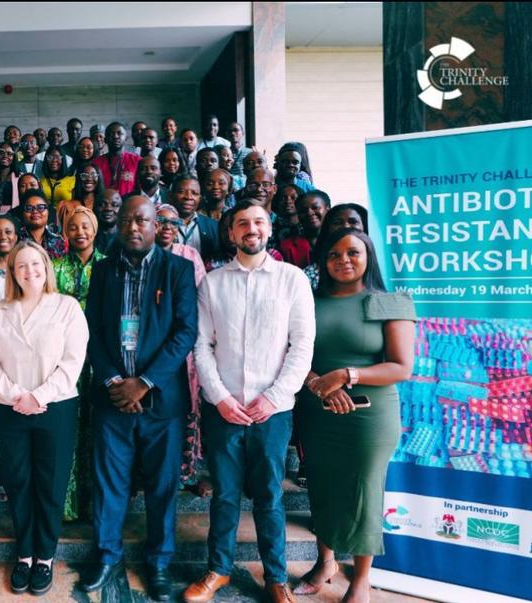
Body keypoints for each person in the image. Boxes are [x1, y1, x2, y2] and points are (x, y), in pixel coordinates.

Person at [184, 199, 315, 603]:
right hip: (224, 410)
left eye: (258, 221)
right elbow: (201, 346)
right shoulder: (213, 283)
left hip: (272, 411)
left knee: (269, 495)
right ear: (231, 232)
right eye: (242, 223)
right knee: (224, 494)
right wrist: (220, 397)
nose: (251, 229)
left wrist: (274, 397)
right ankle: (218, 570)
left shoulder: (292, 280)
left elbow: (302, 345)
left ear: (269, 228)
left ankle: (276, 576)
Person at [80, 196, 198, 602]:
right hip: (112, 398)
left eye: (142, 220)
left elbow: (185, 332)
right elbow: (92, 330)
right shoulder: (103, 270)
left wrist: (144, 382)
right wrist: (116, 381)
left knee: (163, 486)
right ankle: (107, 554)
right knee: (109, 481)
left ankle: (159, 562)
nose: (134, 227)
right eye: (128, 219)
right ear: (117, 223)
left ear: (156, 225)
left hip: (161, 401)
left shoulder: (177, 269)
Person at [292, 228, 416, 602]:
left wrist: (346, 375)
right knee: (322, 487)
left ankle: (361, 579)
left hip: (369, 418)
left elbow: (401, 366)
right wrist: (319, 384)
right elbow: (292, 353)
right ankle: (325, 562)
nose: (343, 260)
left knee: (364, 492)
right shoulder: (308, 301)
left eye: (352, 253)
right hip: (317, 411)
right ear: (322, 260)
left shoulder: (388, 301)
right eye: (333, 254)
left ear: (368, 257)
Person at [0, 241, 89, 596]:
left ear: (47, 268)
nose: (30, 271)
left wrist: (39, 396)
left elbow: (73, 361)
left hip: (55, 406)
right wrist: (17, 395)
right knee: (17, 482)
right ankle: (24, 554)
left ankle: (44, 556)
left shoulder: (66, 307)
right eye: (21, 266)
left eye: (36, 264)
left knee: (51, 482)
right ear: (12, 272)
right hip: (9, 406)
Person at [52, 206, 106, 522]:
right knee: (68, 429)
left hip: (101, 358)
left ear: (95, 229)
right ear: (65, 232)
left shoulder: (108, 266)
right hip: (64, 359)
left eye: (85, 226)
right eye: (73, 227)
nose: (80, 232)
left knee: (98, 430)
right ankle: (67, 506)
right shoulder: (54, 267)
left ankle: (95, 506)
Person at [154, 204, 208, 493]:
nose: (167, 227)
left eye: (173, 223)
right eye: (161, 221)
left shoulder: (189, 255)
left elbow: (200, 300)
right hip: (151, 345)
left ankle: (184, 473)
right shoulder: (143, 255)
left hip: (184, 345)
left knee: (186, 408)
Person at [304, 202, 370, 290]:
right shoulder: (308, 276)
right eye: (338, 223)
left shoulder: (383, 264)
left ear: (364, 226)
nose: (346, 226)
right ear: (328, 228)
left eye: (353, 222)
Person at [172, 176, 220, 266]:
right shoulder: (161, 224)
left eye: (194, 193)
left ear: (200, 199)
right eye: (182, 192)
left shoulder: (213, 226)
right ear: (171, 195)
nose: (188, 197)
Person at [91, 122, 140, 196]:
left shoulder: (137, 161)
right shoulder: (96, 163)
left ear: (126, 138)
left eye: (119, 133)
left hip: (130, 202)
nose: (115, 136)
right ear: (105, 139)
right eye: (111, 134)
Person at [18, 189, 67, 259]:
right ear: (23, 213)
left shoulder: (58, 241)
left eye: (40, 207)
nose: (35, 211)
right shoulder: (15, 239)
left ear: (48, 212)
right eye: (29, 208)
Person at [271, 184, 308, 267]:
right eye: (283, 198)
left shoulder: (307, 226)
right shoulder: (272, 227)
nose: (288, 201)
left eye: (293, 198)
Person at [93, 188, 122, 253]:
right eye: (102, 204)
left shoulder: (125, 237)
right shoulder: (88, 235)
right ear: (95, 208)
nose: (108, 208)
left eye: (114, 205)